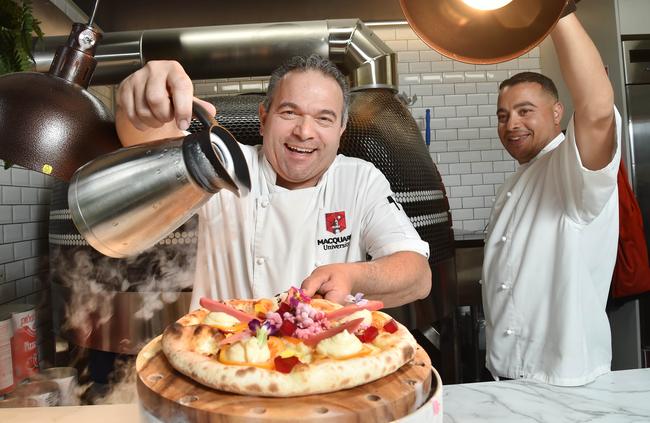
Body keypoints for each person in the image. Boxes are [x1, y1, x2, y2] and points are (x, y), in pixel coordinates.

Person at [115, 54, 432, 309]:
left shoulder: (359, 179)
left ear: (341, 130)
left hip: (324, 371)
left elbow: (418, 276)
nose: (304, 132)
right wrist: (142, 97)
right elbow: (142, 139)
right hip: (220, 363)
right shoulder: (225, 165)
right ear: (264, 118)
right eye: (289, 112)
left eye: (324, 118)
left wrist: (352, 275)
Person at [482, 6, 621, 386]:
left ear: (557, 111)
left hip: (565, 380)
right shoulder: (521, 179)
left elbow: (596, 110)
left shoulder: (571, 168)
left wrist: (557, 10)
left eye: (525, 111)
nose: (512, 124)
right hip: (509, 375)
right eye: (503, 115)